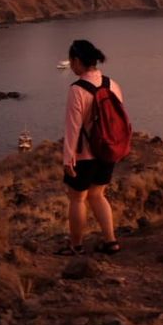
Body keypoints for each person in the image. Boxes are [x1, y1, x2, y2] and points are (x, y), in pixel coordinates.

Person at [56, 39, 123, 256]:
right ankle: (111, 241)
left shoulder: (77, 89)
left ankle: (75, 246)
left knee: (77, 198)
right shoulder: (111, 83)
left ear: (77, 60)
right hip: (108, 151)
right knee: (98, 195)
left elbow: (73, 127)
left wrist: (68, 159)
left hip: (84, 154)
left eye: (71, 60)